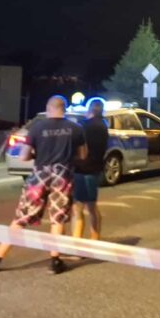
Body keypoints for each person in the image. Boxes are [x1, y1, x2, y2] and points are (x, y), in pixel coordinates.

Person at [0, 95, 86, 275]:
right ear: (64, 109)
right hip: (63, 177)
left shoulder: (37, 127)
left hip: (39, 177)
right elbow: (82, 155)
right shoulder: (76, 128)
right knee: (57, 218)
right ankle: (55, 261)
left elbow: (23, 156)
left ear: (48, 109)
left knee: (22, 217)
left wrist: (37, 154)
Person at [71, 97, 109, 241]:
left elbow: (77, 147)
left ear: (90, 110)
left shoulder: (84, 126)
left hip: (81, 169)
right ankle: (95, 237)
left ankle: (77, 241)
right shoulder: (104, 125)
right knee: (92, 206)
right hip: (95, 169)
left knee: (77, 208)